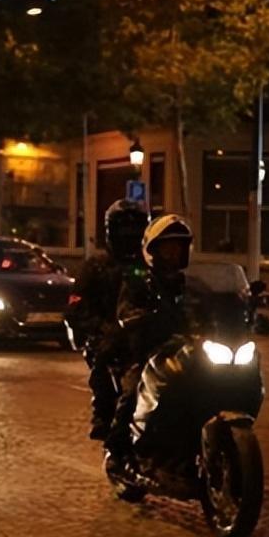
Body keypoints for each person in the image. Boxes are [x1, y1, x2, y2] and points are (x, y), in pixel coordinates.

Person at [104, 214, 194, 474]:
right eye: (167, 248)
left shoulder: (189, 284)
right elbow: (125, 309)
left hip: (185, 351)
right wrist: (136, 316)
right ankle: (117, 450)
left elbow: (211, 305)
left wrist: (243, 311)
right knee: (134, 389)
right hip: (145, 351)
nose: (173, 254)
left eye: (178, 248)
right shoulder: (138, 282)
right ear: (153, 251)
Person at [71, 200, 149, 440]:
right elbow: (76, 307)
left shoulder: (152, 266)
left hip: (144, 333)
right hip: (107, 336)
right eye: (124, 230)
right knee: (103, 365)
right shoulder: (96, 267)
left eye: (135, 230)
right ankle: (104, 417)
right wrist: (100, 328)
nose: (129, 236)